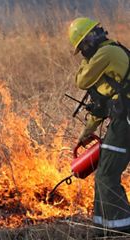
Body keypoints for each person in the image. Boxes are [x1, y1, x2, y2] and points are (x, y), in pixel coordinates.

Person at [68, 17, 130, 236]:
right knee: (104, 171)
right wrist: (86, 133)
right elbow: (102, 104)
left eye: (84, 46)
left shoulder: (107, 53)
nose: (84, 51)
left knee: (106, 175)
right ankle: (102, 227)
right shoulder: (104, 62)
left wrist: (87, 59)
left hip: (126, 123)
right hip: (123, 120)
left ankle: (122, 229)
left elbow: (81, 81)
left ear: (93, 38)